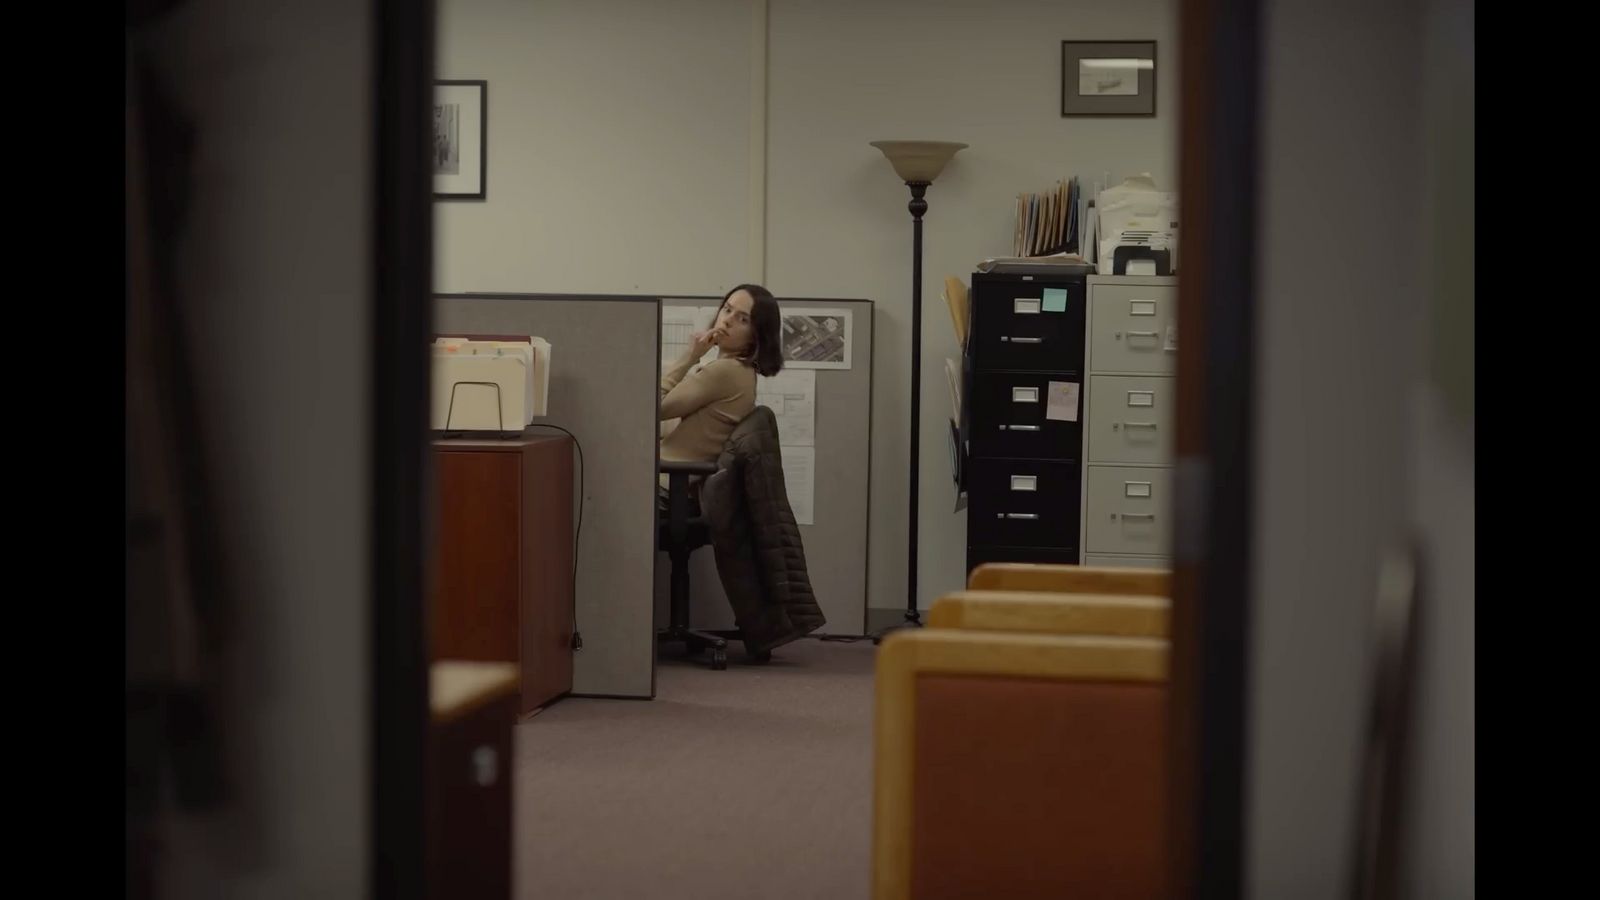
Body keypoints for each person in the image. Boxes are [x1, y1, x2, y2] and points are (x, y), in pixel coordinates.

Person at [658, 284, 784, 466]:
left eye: (743, 319)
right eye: (727, 309)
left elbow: (654, 409)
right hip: (669, 476)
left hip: (666, 482)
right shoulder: (744, 372)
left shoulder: (726, 371)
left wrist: (691, 355)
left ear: (756, 336)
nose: (727, 321)